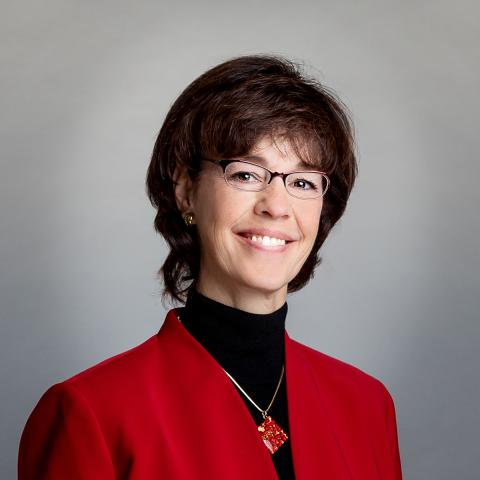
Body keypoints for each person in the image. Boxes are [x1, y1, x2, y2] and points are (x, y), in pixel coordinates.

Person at [18, 55, 403, 479]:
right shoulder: (91, 415)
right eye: (245, 174)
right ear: (186, 192)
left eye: (303, 182)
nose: (277, 206)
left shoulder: (367, 406)